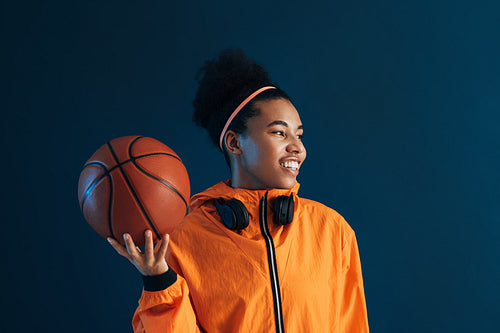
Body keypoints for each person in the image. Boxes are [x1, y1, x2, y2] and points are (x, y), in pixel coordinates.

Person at [108, 49, 369, 332]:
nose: (298, 147)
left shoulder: (333, 231)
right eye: (279, 133)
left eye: (299, 134)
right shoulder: (182, 240)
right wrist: (158, 280)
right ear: (234, 143)